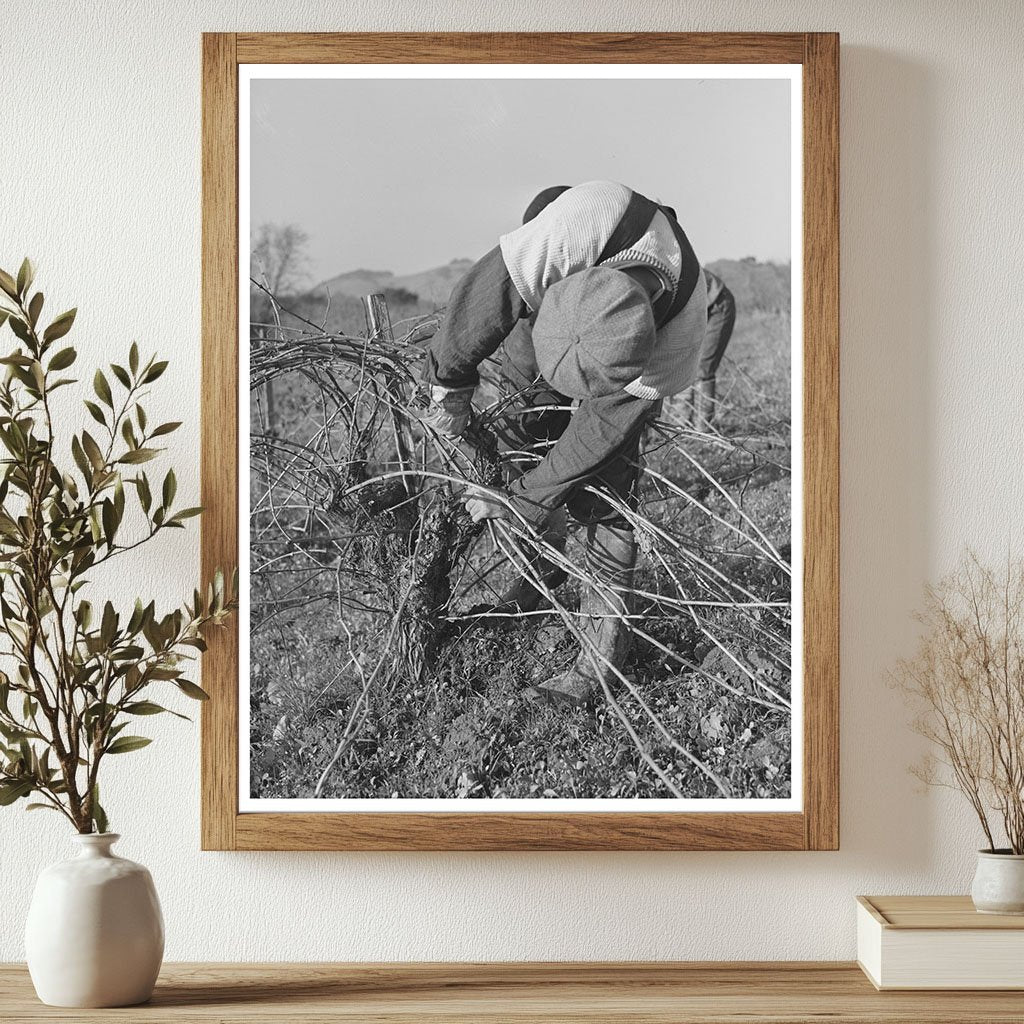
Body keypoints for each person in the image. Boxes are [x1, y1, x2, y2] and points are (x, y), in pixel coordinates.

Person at [423, 180, 707, 705]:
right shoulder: (567, 236)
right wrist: (449, 387)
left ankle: (601, 660)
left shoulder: (677, 340)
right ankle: (540, 573)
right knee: (519, 424)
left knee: (607, 492)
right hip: (553, 306)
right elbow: (482, 300)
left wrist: (529, 498)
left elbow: (601, 430)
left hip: (626, 373)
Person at [686, 268, 736, 428]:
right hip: (694, 311)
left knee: (702, 369)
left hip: (717, 303)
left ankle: (703, 430)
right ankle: (682, 427)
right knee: (682, 366)